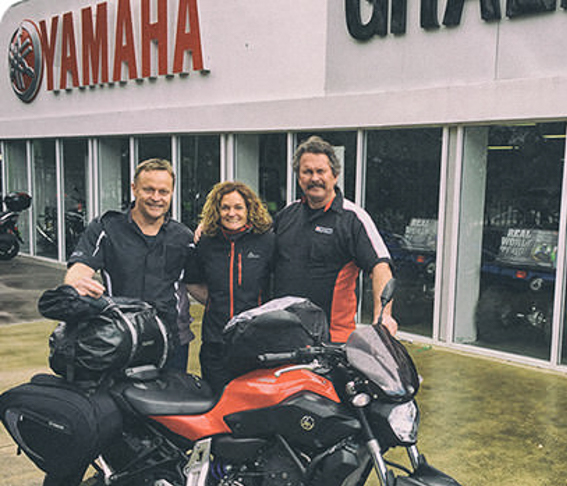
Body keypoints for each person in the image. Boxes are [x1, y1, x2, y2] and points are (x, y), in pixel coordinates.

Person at [64, 158, 195, 370]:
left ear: (172, 193)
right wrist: (76, 284)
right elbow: (80, 268)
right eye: (148, 190)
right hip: (119, 336)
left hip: (171, 339)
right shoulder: (106, 228)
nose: (156, 198)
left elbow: (196, 284)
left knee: (173, 392)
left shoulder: (184, 237)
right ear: (134, 189)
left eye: (163, 192)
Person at [273, 135, 397, 342]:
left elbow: (380, 267)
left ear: (335, 175)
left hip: (331, 340)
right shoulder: (286, 215)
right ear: (299, 177)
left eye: (321, 171)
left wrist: (383, 315)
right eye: (307, 172)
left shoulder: (353, 218)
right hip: (284, 334)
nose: (314, 178)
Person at [185, 181, 276, 392]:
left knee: (251, 404)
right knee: (217, 402)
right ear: (217, 210)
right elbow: (192, 281)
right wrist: (215, 301)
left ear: (249, 209)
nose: (231, 213)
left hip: (255, 343)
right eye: (225, 207)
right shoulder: (206, 242)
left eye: (238, 207)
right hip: (215, 342)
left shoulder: (267, 241)